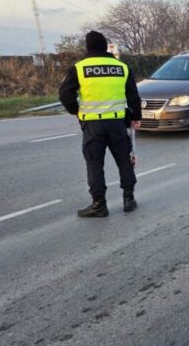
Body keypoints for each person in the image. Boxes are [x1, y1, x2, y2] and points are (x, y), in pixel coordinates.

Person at [59, 30, 142, 218]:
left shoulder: (79, 68)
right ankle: (128, 199)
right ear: (106, 46)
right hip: (118, 123)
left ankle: (99, 205)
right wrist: (136, 117)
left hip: (93, 125)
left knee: (95, 164)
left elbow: (65, 94)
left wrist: (76, 111)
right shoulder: (121, 67)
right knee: (124, 161)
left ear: (87, 47)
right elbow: (133, 96)